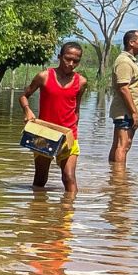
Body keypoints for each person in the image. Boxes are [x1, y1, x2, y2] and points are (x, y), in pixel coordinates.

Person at [20, 40, 88, 193]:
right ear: (59, 56)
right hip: (44, 134)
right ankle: (37, 210)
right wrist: (27, 110)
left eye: (75, 61)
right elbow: (24, 96)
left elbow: (76, 109)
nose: (70, 63)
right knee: (40, 178)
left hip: (68, 134)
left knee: (69, 177)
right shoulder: (44, 76)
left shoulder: (81, 82)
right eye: (67, 59)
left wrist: (74, 132)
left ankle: (69, 215)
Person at [109, 29, 138, 165]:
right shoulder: (124, 61)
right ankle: (119, 181)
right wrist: (134, 113)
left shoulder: (129, 61)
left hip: (128, 112)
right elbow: (123, 88)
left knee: (122, 145)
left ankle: (114, 176)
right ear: (131, 42)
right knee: (123, 145)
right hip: (126, 112)